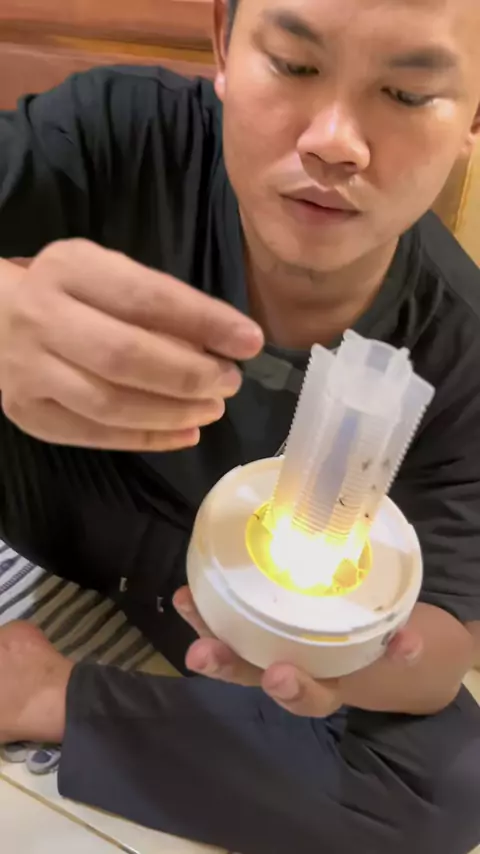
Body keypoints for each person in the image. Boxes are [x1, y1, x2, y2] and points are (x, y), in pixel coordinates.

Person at [0, 0, 480, 851]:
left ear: (474, 115)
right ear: (224, 46)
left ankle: (48, 695)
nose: (335, 141)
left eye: (407, 95)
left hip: (229, 600)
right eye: (295, 66)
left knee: (446, 782)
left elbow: (443, 645)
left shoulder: (459, 345)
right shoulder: (123, 131)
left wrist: (350, 659)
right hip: (44, 471)